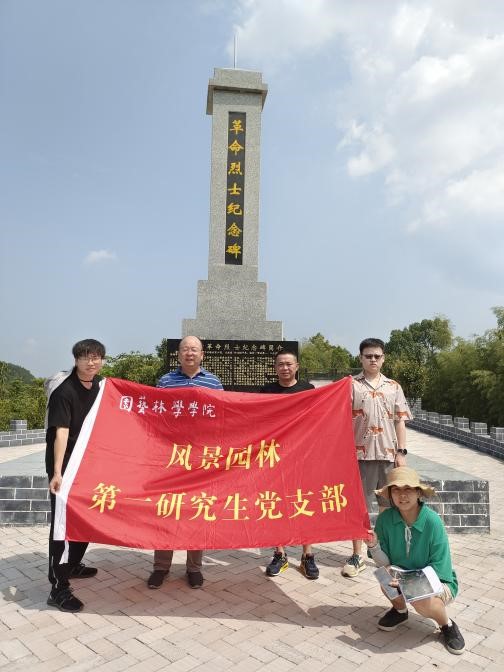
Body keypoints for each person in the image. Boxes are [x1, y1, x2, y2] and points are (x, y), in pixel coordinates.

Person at [148, 335, 223, 590]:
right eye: (185, 349)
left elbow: (223, 417)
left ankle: (194, 568)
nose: (189, 353)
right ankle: (161, 567)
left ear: (202, 355)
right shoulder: (165, 382)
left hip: (200, 457)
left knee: (197, 511)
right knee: (166, 509)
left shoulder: (214, 382)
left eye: (194, 349)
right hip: (171, 456)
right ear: (178, 354)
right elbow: (156, 416)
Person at [364, 466, 465, 655]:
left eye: (408, 489)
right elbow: (384, 563)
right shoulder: (385, 519)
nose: (402, 495)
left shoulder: (432, 522)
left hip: (438, 581)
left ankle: (447, 625)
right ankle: (400, 612)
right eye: (396, 490)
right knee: (385, 577)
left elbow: (440, 569)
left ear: (418, 493)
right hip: (402, 576)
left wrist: (409, 582)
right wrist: (374, 545)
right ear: (390, 495)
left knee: (420, 599)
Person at [342, 337, 412, 578]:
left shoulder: (394, 386)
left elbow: (400, 420)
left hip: (388, 455)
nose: (373, 359)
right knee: (358, 507)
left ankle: (378, 549)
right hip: (358, 455)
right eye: (368, 356)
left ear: (383, 358)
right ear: (360, 358)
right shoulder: (350, 385)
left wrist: (401, 452)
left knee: (386, 507)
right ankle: (357, 554)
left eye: (377, 356)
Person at [46, 338, 106, 612]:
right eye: (85, 357)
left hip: (90, 466)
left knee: (86, 517)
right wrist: (57, 472)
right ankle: (58, 587)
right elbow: (61, 432)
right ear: (76, 360)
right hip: (66, 466)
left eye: (96, 357)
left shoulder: (101, 386)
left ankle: (72, 565)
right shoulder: (64, 391)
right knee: (63, 524)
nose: (91, 362)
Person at [260, 349, 319, 580]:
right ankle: (280, 553)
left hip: (303, 455)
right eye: (280, 364)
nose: (285, 368)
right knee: (276, 504)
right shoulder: (267, 391)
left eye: (289, 364)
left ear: (297, 366)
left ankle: (307, 555)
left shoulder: (308, 390)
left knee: (304, 503)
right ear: (275, 368)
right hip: (276, 456)